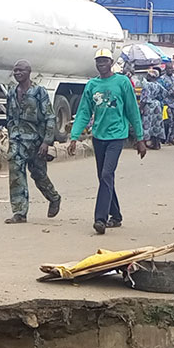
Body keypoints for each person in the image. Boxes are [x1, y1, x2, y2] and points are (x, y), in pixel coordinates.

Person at [68, 49, 146, 235]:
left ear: (111, 62)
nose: (101, 64)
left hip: (117, 136)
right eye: (98, 61)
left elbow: (132, 110)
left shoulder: (122, 82)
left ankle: (100, 219)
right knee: (104, 177)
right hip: (98, 137)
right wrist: (74, 136)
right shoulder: (92, 85)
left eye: (104, 60)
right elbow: (84, 112)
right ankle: (116, 215)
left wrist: (140, 138)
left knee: (106, 175)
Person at [3, 60, 61, 224]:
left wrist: (46, 141)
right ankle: (19, 212)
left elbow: (50, 117)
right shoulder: (11, 92)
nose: (17, 73)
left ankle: (54, 197)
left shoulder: (38, 92)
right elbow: (9, 116)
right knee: (16, 174)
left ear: (29, 72)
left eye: (21, 70)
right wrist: (11, 134)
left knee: (38, 174)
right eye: (15, 71)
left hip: (36, 142)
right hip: (17, 141)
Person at [138, 67, 165, 150]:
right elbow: (164, 95)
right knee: (156, 124)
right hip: (156, 105)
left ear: (150, 76)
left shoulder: (147, 85)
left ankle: (144, 143)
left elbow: (145, 98)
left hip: (149, 105)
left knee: (146, 124)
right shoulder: (158, 85)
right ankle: (156, 144)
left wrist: (140, 108)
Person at [159, 65, 174, 145]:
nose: (171, 70)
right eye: (169, 68)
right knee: (168, 122)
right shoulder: (162, 79)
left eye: (172, 68)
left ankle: (172, 138)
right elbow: (161, 91)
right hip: (166, 103)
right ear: (166, 69)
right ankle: (165, 139)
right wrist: (170, 93)